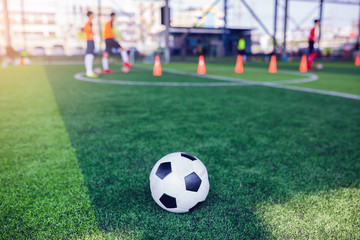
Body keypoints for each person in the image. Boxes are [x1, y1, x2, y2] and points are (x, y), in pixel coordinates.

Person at [83, 11, 98, 78]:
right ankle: (89, 72)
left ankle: (89, 71)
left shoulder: (90, 23)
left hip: (91, 40)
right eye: (92, 15)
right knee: (89, 55)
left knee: (90, 55)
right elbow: (85, 29)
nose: (93, 16)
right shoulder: (88, 23)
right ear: (90, 15)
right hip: (89, 40)